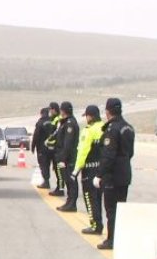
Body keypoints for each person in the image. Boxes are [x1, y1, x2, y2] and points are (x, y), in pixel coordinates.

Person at [94, 97, 135, 250]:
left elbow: (108, 155)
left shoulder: (112, 129)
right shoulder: (128, 128)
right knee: (121, 208)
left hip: (112, 176)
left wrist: (99, 174)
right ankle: (119, 237)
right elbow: (130, 153)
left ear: (108, 111)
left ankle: (112, 239)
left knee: (111, 210)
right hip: (124, 173)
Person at [73, 105, 104, 234]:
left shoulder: (88, 131)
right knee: (98, 198)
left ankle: (94, 225)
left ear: (90, 116)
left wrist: (76, 170)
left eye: (86, 116)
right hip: (101, 169)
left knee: (90, 198)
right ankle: (99, 223)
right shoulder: (104, 128)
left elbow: (83, 152)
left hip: (89, 170)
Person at [54, 101, 79, 212]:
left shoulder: (70, 123)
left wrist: (63, 158)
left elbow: (68, 143)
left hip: (69, 158)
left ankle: (72, 203)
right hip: (65, 156)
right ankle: (69, 201)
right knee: (68, 181)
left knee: (71, 181)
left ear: (63, 111)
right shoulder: (65, 122)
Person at [30, 107, 54, 188]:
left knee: (43, 165)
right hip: (52, 148)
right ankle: (50, 182)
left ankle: (46, 182)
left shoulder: (40, 123)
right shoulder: (52, 122)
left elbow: (36, 136)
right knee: (48, 164)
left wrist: (33, 146)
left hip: (42, 148)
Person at [44, 102, 64, 196]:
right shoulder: (53, 119)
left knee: (58, 169)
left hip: (57, 148)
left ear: (54, 109)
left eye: (50, 109)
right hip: (52, 147)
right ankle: (58, 187)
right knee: (56, 169)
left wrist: (49, 140)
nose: (50, 111)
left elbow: (56, 133)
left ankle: (60, 188)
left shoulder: (58, 119)